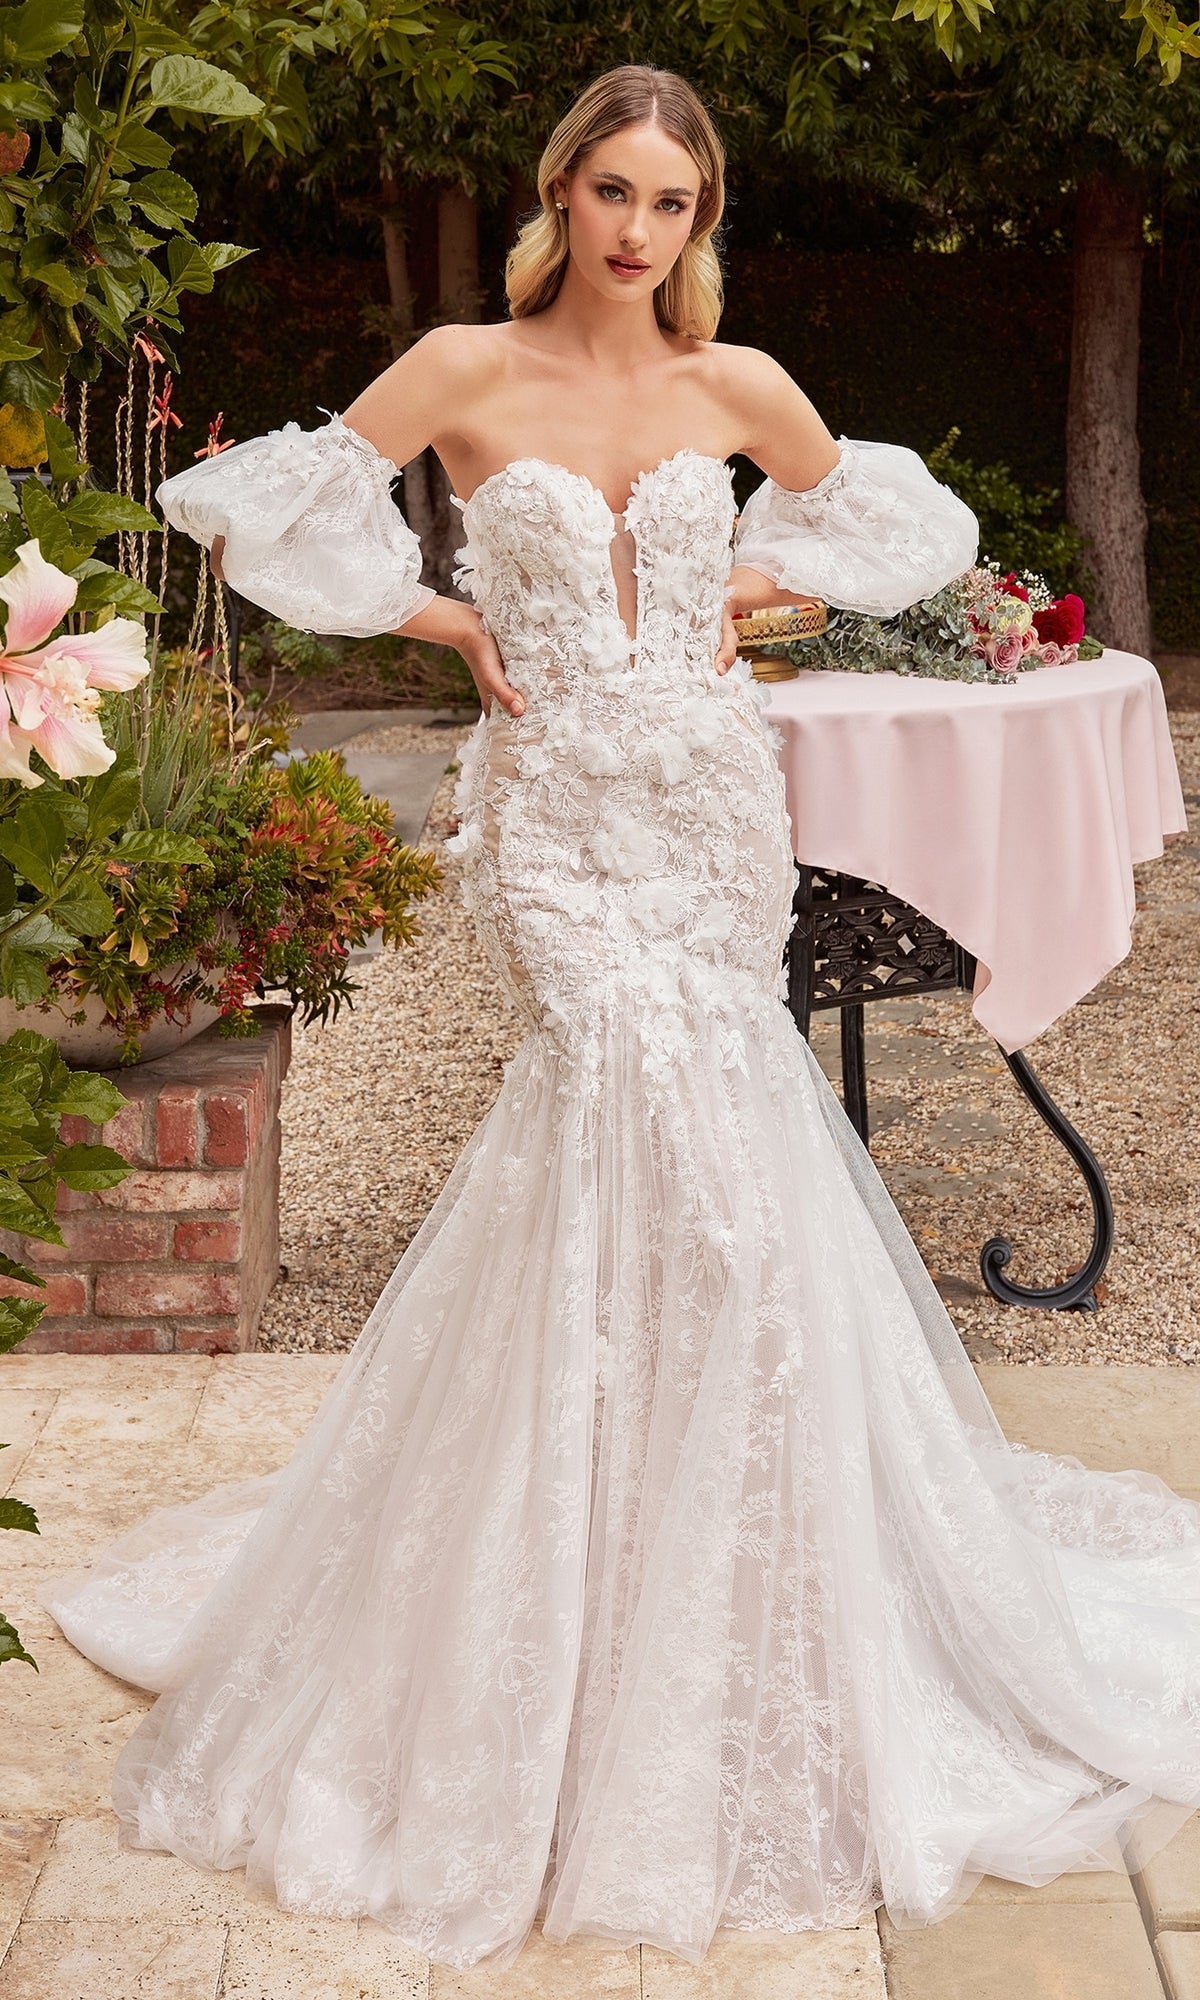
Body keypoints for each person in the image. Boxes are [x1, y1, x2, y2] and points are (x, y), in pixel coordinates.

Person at [46, 63, 1200, 1974]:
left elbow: (898, 534)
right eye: (612, 195)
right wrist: (448, 624)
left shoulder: (732, 390)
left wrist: (755, 578)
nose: (637, 233)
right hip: (565, 822)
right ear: (561, 195)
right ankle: (565, 1592)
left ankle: (744, 1570)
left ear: (699, 221)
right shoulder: (459, 366)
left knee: (727, 1153)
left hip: (706, 807)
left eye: (671, 205)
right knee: (616, 1115)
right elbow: (274, 510)